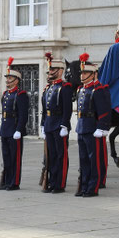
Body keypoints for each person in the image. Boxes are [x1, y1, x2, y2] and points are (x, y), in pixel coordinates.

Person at [75, 53, 111, 197]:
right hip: (82, 127)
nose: (82, 75)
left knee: (93, 159)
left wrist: (102, 127)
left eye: (86, 73)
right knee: (83, 159)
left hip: (93, 128)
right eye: (82, 72)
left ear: (94, 74)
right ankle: (84, 186)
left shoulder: (99, 90)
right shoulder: (81, 90)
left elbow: (104, 110)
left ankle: (93, 187)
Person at [41, 52, 72, 193]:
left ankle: (60, 184)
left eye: (53, 70)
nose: (51, 72)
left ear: (60, 71)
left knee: (61, 155)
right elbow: (44, 108)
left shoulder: (64, 88)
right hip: (49, 124)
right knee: (51, 155)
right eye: (50, 70)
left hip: (59, 124)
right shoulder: (48, 88)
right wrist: (43, 124)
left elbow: (67, 108)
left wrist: (65, 125)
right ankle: (52, 182)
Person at [0, 57, 29, 191]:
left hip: (14, 129)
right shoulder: (5, 94)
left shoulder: (21, 95)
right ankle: (6, 180)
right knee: (6, 157)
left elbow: (23, 114)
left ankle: (14, 182)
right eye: (7, 78)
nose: (7, 81)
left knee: (15, 158)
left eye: (10, 78)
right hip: (5, 128)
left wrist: (19, 129)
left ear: (16, 80)